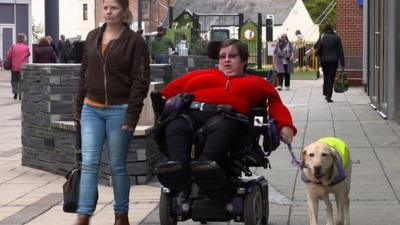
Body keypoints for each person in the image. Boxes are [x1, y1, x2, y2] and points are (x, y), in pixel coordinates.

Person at [156, 39, 296, 195]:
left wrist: (285, 125)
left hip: (229, 119)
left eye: (232, 56)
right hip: (193, 115)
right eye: (222, 56)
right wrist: (158, 102)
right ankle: (176, 168)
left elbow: (275, 103)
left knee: (223, 125)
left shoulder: (256, 82)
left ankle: (204, 168)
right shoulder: (199, 75)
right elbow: (167, 93)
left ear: (244, 60)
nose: (226, 60)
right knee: (176, 123)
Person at [73, 0, 150, 224]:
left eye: (113, 7)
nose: (108, 11)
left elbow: (140, 81)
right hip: (91, 108)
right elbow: (84, 74)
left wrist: (132, 116)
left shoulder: (135, 42)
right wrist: (78, 109)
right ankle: (84, 215)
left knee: (117, 165)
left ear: (124, 12)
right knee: (89, 163)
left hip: (120, 110)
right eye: (105, 7)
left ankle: (121, 214)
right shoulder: (92, 36)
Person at [314, 24, 345, 102]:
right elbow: (340, 51)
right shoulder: (337, 38)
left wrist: (317, 54)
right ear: (332, 29)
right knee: (331, 78)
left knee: (326, 76)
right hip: (334, 61)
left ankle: (325, 92)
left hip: (324, 61)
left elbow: (318, 48)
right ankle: (328, 96)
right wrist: (342, 63)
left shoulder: (323, 37)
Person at [6, 33, 30, 100]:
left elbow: (8, 55)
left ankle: (15, 93)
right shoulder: (26, 47)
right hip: (22, 68)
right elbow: (28, 54)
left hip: (14, 67)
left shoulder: (13, 46)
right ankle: (20, 95)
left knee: (14, 80)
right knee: (21, 81)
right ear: (24, 39)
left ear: (17, 39)